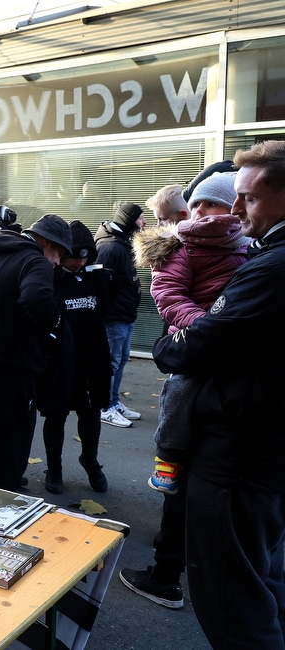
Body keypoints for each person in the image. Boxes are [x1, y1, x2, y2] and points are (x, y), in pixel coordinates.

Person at [152, 141, 285, 647]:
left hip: (241, 456)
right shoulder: (259, 255)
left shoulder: (271, 266)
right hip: (259, 448)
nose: (232, 210)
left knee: (236, 605)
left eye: (247, 198)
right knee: (263, 582)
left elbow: (203, 343)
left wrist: (171, 342)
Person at [118, 171, 248, 613]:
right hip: (197, 343)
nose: (200, 212)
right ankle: (166, 459)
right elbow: (168, 295)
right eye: (195, 205)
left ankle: (171, 574)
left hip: (225, 362)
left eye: (211, 204)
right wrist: (204, 331)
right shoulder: (180, 245)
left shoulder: (252, 249)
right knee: (177, 403)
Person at [0, 215, 70, 492]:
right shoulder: (35, 260)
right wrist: (54, 326)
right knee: (9, 448)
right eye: (59, 253)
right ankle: (1, 501)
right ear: (45, 242)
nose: (57, 262)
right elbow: (35, 297)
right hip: (13, 370)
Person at [39, 220, 114, 494]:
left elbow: (107, 313)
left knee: (91, 412)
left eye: (84, 257)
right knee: (57, 415)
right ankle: (54, 468)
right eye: (73, 257)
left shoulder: (95, 278)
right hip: (60, 360)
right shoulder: (49, 277)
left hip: (92, 358)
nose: (79, 263)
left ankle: (90, 460)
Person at [94, 202, 146, 427]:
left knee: (121, 360)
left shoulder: (123, 243)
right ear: (128, 220)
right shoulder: (111, 248)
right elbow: (99, 284)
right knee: (111, 362)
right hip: (115, 317)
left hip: (125, 315)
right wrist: (108, 311)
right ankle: (104, 407)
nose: (144, 222)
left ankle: (113, 402)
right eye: (140, 218)